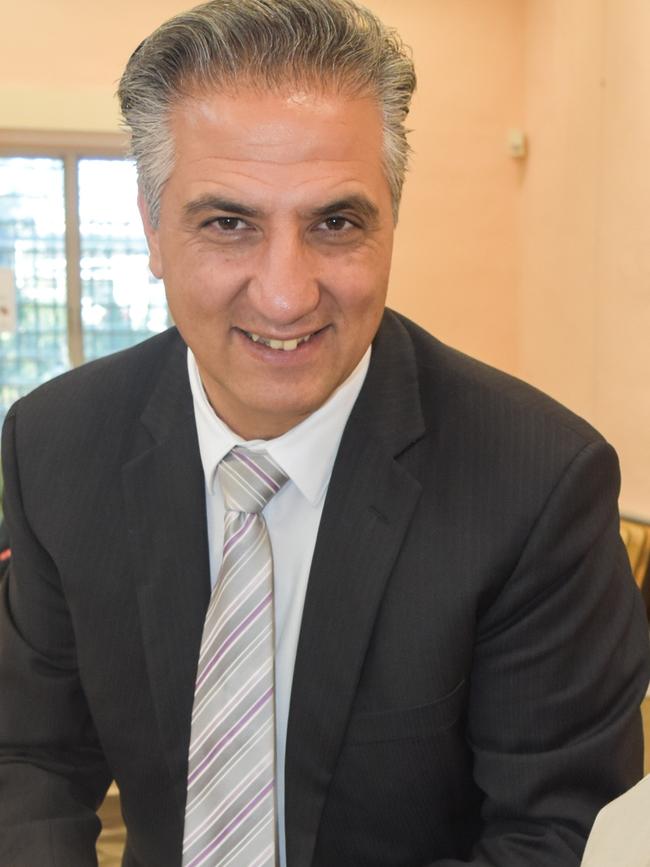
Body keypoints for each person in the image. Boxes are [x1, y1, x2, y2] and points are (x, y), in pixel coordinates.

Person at [1, 1, 648, 865]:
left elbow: (556, 838)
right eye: (228, 222)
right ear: (153, 229)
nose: (284, 294)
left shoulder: (537, 483)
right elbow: (30, 757)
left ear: (390, 222)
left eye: (335, 223)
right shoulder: (54, 445)